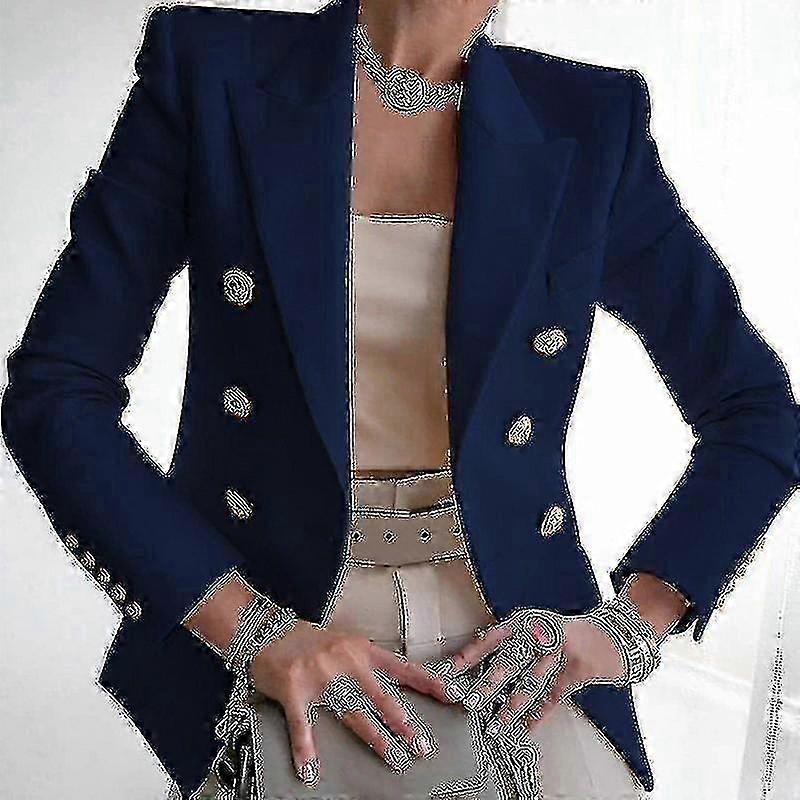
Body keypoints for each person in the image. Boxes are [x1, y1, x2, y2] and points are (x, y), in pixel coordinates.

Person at [2, 1, 798, 798]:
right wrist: (253, 632)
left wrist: (625, 628)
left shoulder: (589, 122)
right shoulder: (212, 71)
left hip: (516, 645)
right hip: (276, 616)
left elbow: (758, 411)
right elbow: (56, 392)